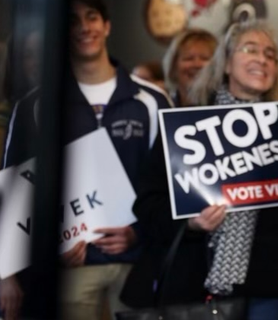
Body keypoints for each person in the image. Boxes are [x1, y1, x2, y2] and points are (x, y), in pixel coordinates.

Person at [1, 0, 171, 319]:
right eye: (73, 20)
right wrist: (10, 270)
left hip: (138, 265)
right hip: (69, 270)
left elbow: (171, 184)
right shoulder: (35, 105)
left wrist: (139, 231)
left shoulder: (152, 100)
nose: (83, 27)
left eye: (92, 17)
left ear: (107, 26)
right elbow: (12, 189)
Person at [121, 20, 278, 320]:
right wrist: (190, 225)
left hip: (269, 294)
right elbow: (148, 205)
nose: (262, 59)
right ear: (226, 63)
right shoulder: (184, 128)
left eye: (270, 54)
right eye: (250, 49)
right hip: (192, 291)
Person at [162, 29, 217, 107]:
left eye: (205, 58)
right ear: (173, 66)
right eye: (188, 58)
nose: (197, 64)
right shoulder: (162, 106)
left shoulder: (228, 107)